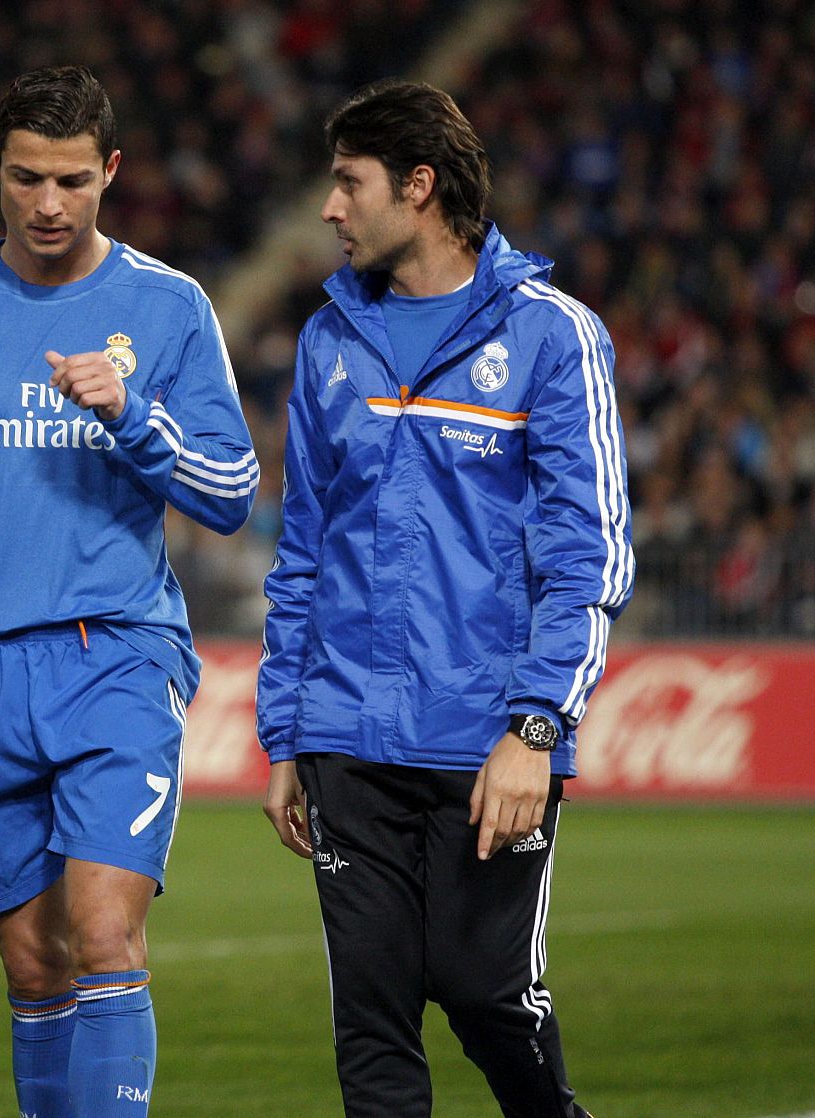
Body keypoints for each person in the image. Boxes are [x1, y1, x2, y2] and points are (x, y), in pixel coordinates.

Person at [0, 65, 256, 1118]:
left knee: (104, 933)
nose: (49, 204)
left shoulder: (166, 307)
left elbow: (231, 488)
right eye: (27, 178)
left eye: (73, 179)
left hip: (116, 648)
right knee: (31, 966)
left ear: (110, 170)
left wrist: (134, 417)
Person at [256, 79, 632, 1118]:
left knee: (483, 991)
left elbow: (588, 556)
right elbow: (301, 551)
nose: (328, 207)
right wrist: (284, 732)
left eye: (348, 183)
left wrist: (534, 723)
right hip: (345, 735)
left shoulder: (552, 336)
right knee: (371, 1020)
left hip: (486, 742)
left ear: (416, 186)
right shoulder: (330, 340)